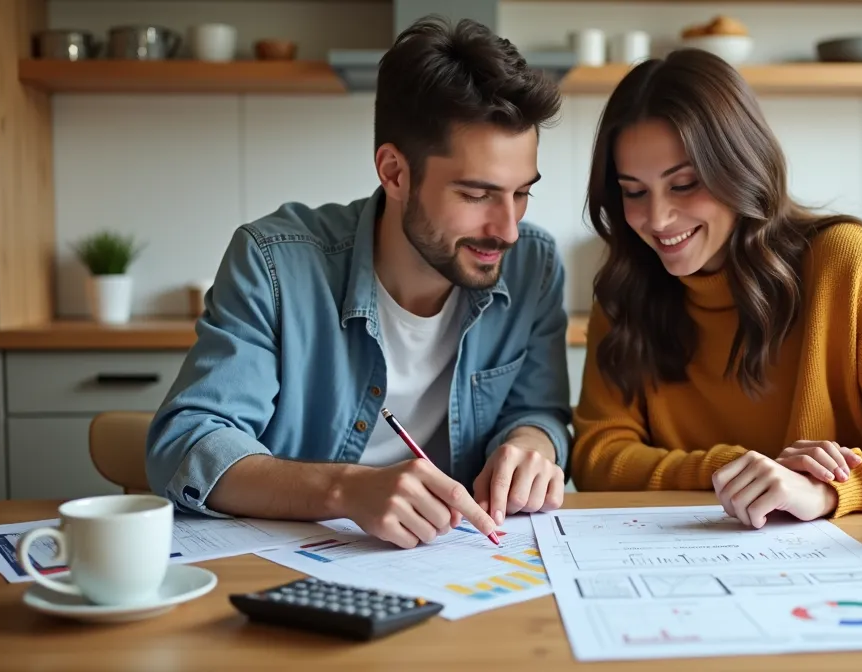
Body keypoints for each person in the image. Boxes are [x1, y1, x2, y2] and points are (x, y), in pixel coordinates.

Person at [146, 16, 572, 549]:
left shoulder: (535, 264)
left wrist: (533, 444)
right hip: (299, 568)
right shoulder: (276, 263)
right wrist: (346, 490)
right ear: (394, 172)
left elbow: (538, 411)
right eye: (476, 195)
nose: (507, 229)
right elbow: (188, 442)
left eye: (521, 192)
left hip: (463, 564)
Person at [570, 48, 862, 528]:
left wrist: (825, 489)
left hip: (848, 560)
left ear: (739, 168)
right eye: (634, 191)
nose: (657, 219)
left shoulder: (842, 261)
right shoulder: (625, 289)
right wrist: (735, 470)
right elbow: (598, 456)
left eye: (684, 184)